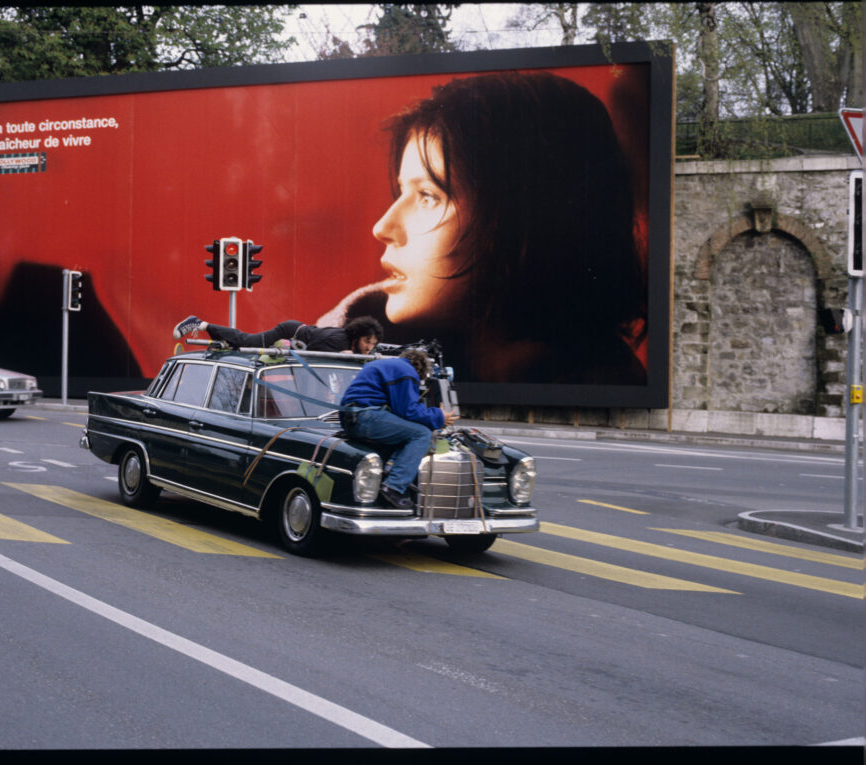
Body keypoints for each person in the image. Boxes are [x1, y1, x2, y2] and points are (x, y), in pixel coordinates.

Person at [317, 71, 647, 386]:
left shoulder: (608, 385)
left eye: (429, 196)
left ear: (524, 219)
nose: (382, 227)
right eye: (402, 192)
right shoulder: (327, 358)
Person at [339, 348, 459, 509]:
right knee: (421, 434)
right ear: (421, 369)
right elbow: (408, 410)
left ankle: (391, 469)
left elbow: (399, 411)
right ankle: (394, 486)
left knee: (406, 431)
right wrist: (439, 416)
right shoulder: (408, 372)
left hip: (355, 418)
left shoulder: (387, 365)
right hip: (366, 417)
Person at [173, 315, 383, 355]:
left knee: (241, 346)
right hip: (288, 331)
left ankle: (223, 342)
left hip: (295, 333)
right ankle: (200, 323)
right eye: (367, 341)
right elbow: (314, 352)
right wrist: (341, 356)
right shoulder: (339, 341)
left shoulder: (350, 345)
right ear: (357, 335)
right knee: (247, 341)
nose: (369, 347)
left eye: (373, 344)